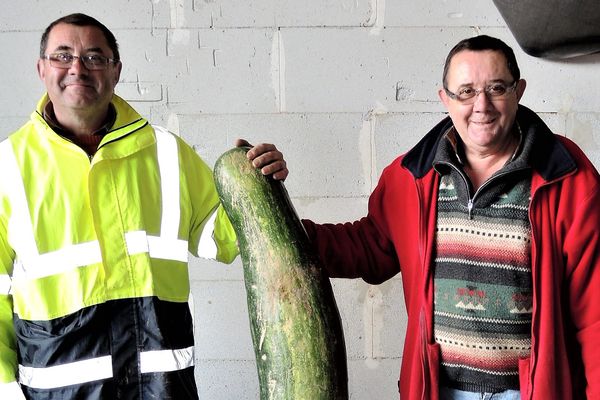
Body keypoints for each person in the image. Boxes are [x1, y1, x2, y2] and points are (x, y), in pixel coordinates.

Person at [0, 13, 287, 400]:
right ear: (41, 69)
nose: (77, 68)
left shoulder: (167, 152)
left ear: (116, 70)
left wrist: (260, 184)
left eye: (94, 57)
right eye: (62, 56)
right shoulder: (9, 167)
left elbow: (227, 237)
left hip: (161, 391)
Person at [298, 35, 600, 399]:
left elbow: (594, 317)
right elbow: (368, 246)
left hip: (531, 391)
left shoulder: (568, 179)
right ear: (445, 99)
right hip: (438, 389)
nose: (482, 105)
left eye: (496, 88)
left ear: (518, 91)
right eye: (466, 92)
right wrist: (281, 222)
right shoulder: (412, 177)